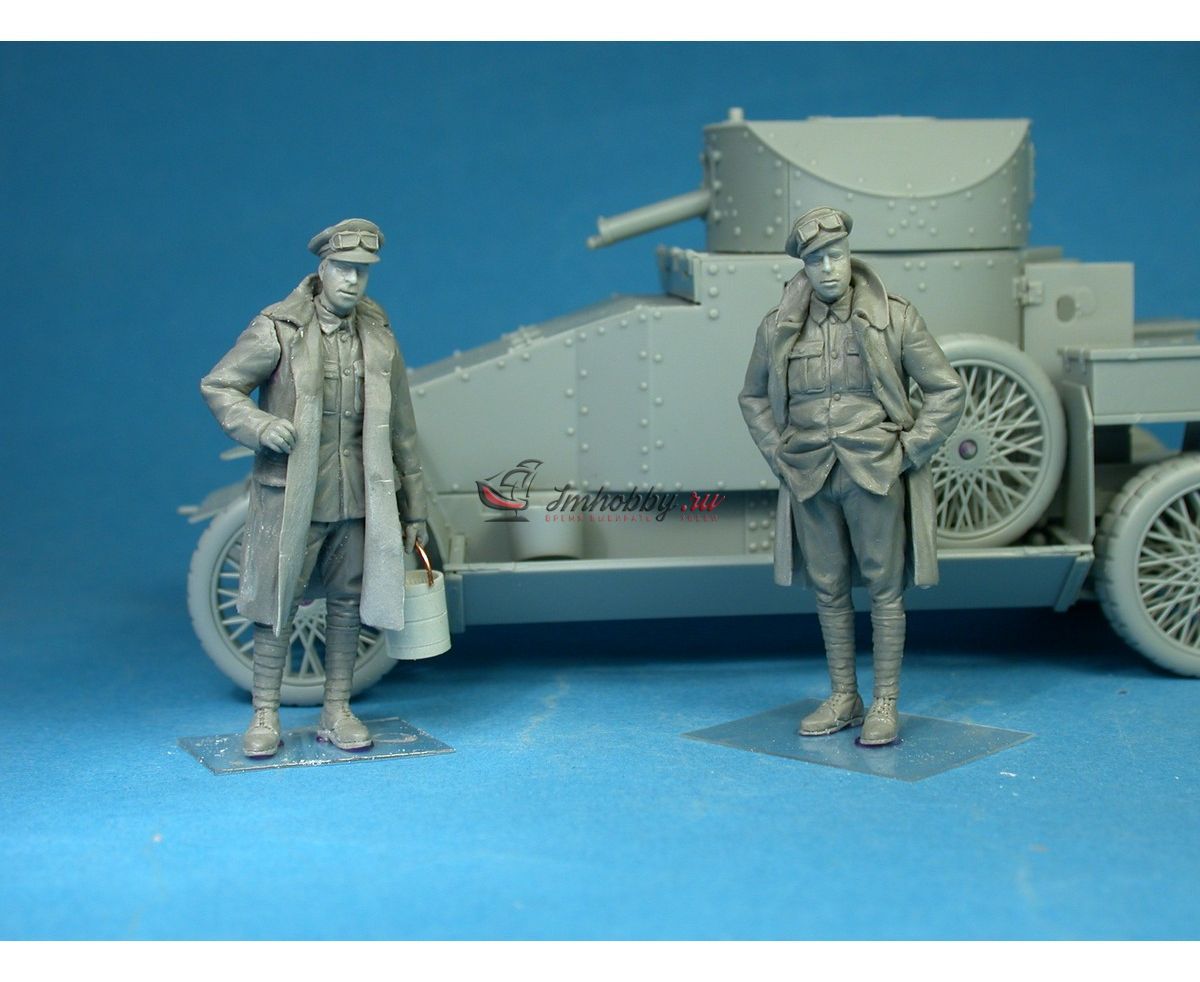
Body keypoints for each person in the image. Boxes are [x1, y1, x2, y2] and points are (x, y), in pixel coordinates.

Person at [739, 207, 965, 745]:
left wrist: (908, 450)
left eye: (835, 255)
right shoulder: (778, 327)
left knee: (885, 587)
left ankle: (885, 701)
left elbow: (946, 389)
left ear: (849, 255)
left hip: (874, 470)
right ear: (804, 266)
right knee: (828, 587)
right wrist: (777, 454)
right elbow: (753, 397)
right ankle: (845, 695)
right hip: (809, 472)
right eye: (816, 259)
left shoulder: (894, 318)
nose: (828, 269)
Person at [201, 218, 427, 757]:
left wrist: (413, 507)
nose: (352, 280)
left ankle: (337, 708)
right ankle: (264, 713)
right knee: (278, 600)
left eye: (362, 271)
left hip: (360, 493)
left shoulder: (378, 333)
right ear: (322, 269)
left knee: (348, 602)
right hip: (293, 492)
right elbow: (221, 385)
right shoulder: (279, 328)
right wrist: (259, 426)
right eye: (343, 268)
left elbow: (402, 427)